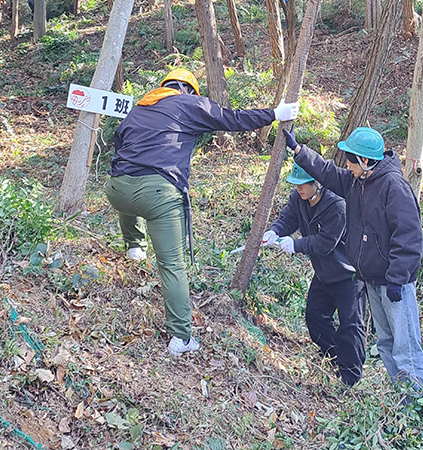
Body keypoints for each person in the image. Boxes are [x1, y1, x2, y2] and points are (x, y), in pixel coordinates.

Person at [105, 69, 299, 357]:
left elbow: (120, 146)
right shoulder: (190, 103)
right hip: (158, 194)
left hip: (116, 190)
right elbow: (231, 119)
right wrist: (274, 113)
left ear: (165, 87)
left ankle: (134, 245)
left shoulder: (140, 107)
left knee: (129, 185)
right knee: (172, 265)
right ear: (188, 90)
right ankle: (181, 338)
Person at [282, 126, 423, 396]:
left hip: (394, 283)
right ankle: (403, 399)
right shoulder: (356, 182)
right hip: (371, 278)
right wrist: (299, 151)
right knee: (386, 342)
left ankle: (420, 403)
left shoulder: (393, 187)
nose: (348, 165)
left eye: (351, 160)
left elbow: (409, 237)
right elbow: (327, 172)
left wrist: (398, 279)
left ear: (365, 161)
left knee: (405, 345)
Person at [263, 163, 367, 386]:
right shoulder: (298, 198)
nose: (299, 189)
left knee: (351, 325)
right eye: (296, 185)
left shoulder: (337, 206)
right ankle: (333, 357)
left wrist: (297, 245)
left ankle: (351, 378)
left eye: (303, 185)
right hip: (323, 274)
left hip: (348, 276)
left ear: (317, 184)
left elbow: (326, 242)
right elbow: (288, 218)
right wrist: (274, 231)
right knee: (315, 317)